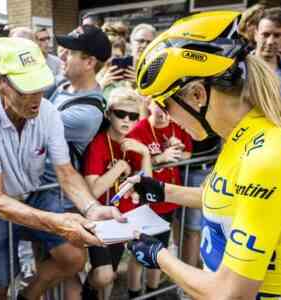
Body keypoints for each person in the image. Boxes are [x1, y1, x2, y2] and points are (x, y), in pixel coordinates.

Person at [127, 11, 281, 299]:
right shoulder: (248, 134)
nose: (165, 117)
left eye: (165, 104)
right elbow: (231, 198)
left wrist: (159, 256)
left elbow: (231, 293)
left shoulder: (267, 158)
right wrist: (161, 190)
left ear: (197, 94)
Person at [0, 37, 123, 300]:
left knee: (73, 258)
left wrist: (92, 208)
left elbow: (66, 171)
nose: (36, 98)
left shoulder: (47, 112)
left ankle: (28, 296)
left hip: (33, 191)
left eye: (39, 87)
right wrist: (58, 222)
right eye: (26, 90)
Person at [41, 25, 111, 299]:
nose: (61, 57)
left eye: (70, 52)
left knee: (70, 270)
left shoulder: (88, 112)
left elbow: (32, 122)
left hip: (61, 196)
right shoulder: (61, 85)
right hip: (43, 189)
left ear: (90, 62)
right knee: (52, 265)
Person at [81, 87, 149, 300]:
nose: (127, 120)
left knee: (109, 276)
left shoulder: (135, 142)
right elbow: (92, 191)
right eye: (121, 114)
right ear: (109, 113)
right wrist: (119, 167)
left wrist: (145, 154)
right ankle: (86, 291)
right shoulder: (98, 143)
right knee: (103, 275)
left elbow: (148, 187)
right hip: (99, 218)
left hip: (122, 217)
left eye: (133, 116)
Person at [126, 96, 192, 298]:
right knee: (139, 254)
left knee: (160, 252)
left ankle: (152, 293)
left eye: (167, 107)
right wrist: (160, 159)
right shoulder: (139, 130)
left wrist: (178, 152)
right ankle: (134, 294)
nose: (163, 112)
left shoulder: (177, 126)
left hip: (170, 200)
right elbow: (134, 166)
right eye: (158, 106)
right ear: (149, 104)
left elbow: (189, 153)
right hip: (145, 203)